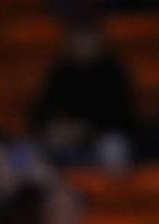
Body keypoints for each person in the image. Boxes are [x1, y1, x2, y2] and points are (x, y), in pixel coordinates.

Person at [30, 22, 139, 168]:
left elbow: (122, 116)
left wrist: (86, 129)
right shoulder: (60, 73)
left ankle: (110, 191)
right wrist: (56, 127)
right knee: (33, 151)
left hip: (103, 137)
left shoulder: (113, 73)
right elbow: (41, 111)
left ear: (99, 42)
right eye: (78, 40)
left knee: (114, 148)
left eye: (87, 40)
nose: (82, 46)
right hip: (66, 140)